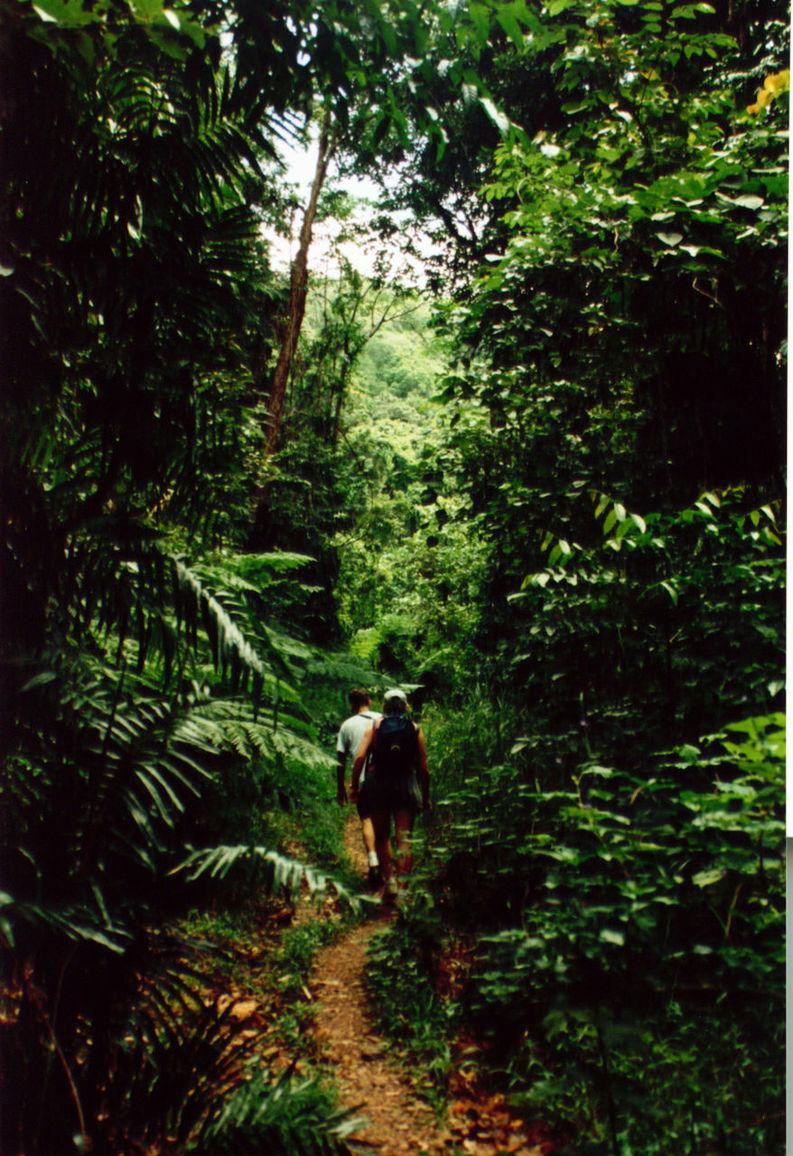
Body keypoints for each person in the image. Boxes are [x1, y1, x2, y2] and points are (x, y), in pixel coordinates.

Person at [351, 688, 430, 905]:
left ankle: (391, 882)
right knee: (404, 840)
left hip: (378, 785)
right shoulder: (415, 729)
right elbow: (423, 768)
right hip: (405, 784)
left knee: (382, 836)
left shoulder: (374, 726)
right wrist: (425, 795)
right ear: (405, 706)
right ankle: (404, 892)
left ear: (385, 707)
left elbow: (359, 758)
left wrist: (354, 786)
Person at [336, 688, 383, 889]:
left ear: (352, 705)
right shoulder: (383, 718)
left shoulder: (346, 726)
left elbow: (341, 761)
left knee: (366, 819)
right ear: (369, 702)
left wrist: (341, 789)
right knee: (383, 820)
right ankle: (390, 868)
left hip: (363, 781)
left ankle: (373, 861)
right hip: (387, 779)